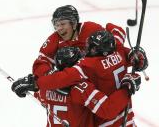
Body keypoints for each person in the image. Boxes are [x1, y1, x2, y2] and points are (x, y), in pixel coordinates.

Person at [12, 46, 142, 127]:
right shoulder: (81, 88)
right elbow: (107, 109)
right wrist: (127, 87)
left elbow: (38, 92)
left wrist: (29, 85)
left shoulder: (46, 87)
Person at [32, 5, 126, 78]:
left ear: (73, 23)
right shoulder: (54, 39)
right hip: (74, 86)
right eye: (56, 25)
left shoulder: (90, 29)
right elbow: (40, 63)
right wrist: (50, 75)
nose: (59, 29)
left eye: (63, 24)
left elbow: (116, 31)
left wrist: (115, 47)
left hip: (99, 79)